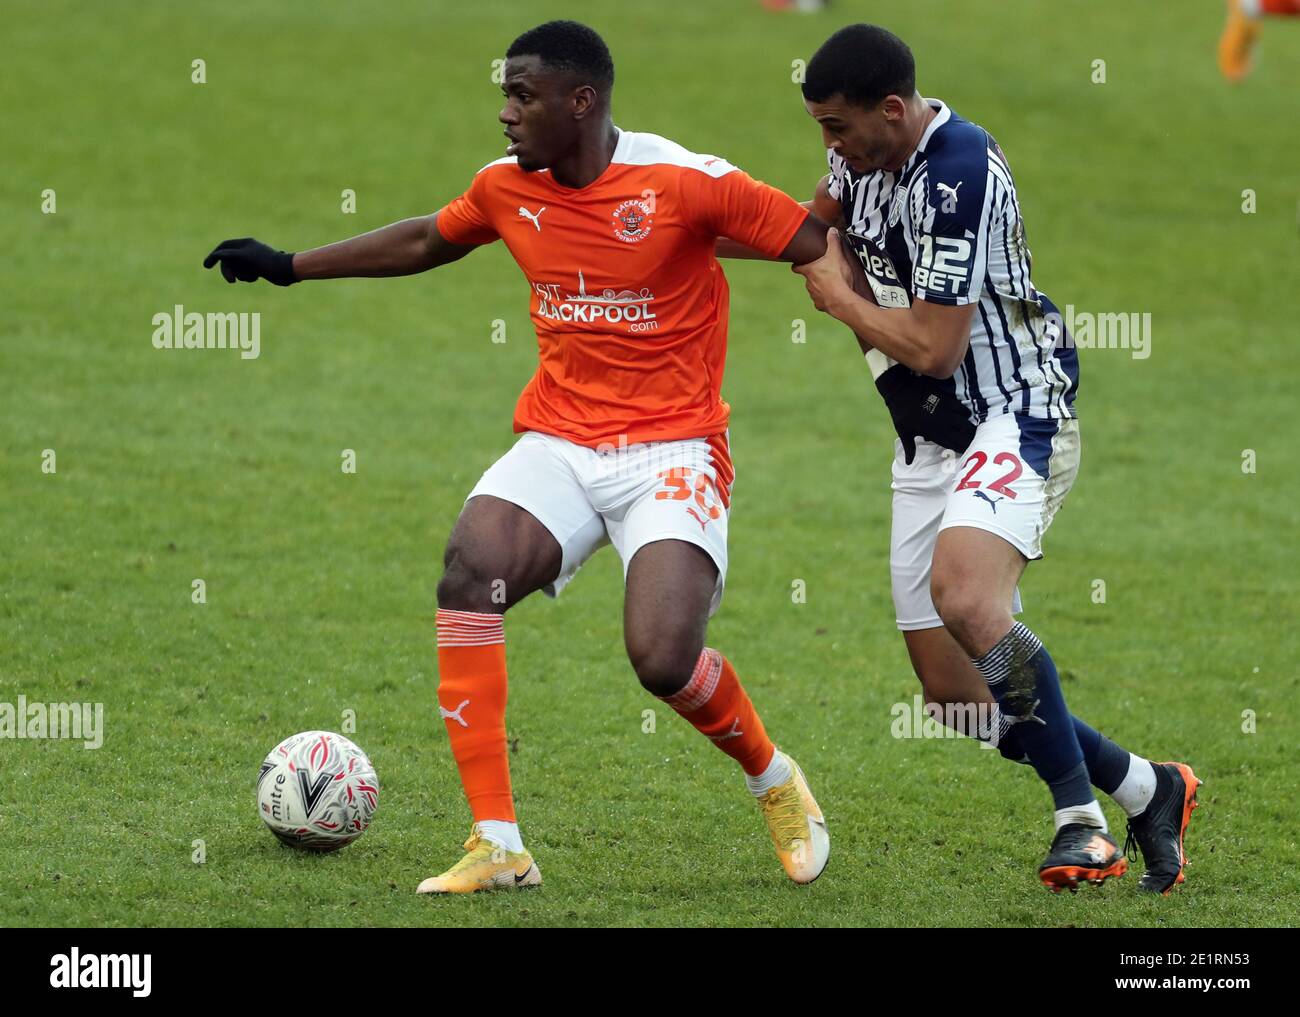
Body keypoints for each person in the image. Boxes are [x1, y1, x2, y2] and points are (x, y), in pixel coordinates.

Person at [204, 20, 835, 893]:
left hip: (674, 450)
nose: (505, 114)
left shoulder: (687, 181)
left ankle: (774, 778)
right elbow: (429, 239)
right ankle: (498, 842)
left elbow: (810, 242)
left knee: (662, 658)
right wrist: (290, 265)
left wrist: (900, 334)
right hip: (562, 439)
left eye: (522, 96)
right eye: (504, 94)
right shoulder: (507, 189)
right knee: (471, 570)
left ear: (581, 102)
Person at [786, 25, 1201, 892]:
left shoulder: (959, 170)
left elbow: (934, 347)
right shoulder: (859, 158)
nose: (828, 147)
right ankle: (1147, 785)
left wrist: (833, 294)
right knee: (956, 699)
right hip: (931, 435)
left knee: (969, 596)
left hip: (1015, 414)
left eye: (837, 127)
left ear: (892, 110)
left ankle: (1079, 821)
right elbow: (807, 226)